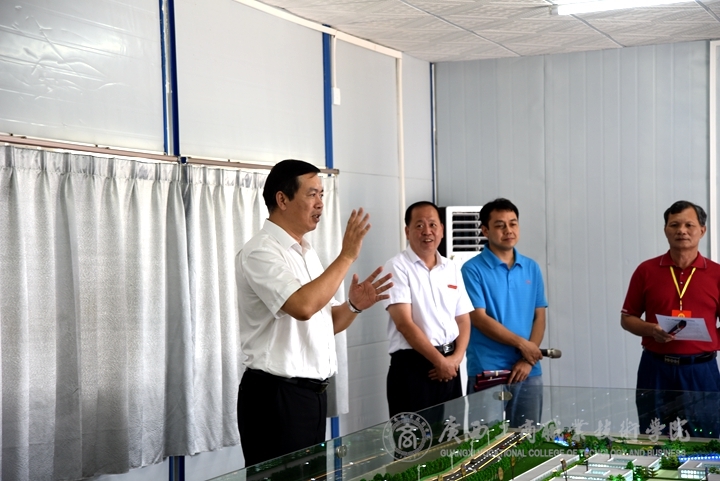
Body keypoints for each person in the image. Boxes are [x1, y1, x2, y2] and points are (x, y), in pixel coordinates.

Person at [235, 159, 393, 466]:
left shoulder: (306, 253)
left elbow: (325, 323)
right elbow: (303, 307)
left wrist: (353, 306)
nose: (320, 203)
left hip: (311, 397)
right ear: (282, 199)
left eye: (322, 194)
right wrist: (347, 255)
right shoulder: (261, 251)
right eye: (311, 194)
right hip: (275, 397)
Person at [621, 200, 720, 437]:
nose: (681, 231)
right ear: (666, 230)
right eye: (674, 225)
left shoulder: (717, 274)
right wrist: (650, 329)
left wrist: (710, 338)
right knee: (654, 437)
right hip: (655, 368)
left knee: (705, 439)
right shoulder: (646, 270)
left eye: (689, 225)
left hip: (700, 370)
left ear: (702, 230)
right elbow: (627, 318)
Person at [461, 198, 547, 427]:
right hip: (488, 370)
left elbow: (539, 316)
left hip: (528, 370)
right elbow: (479, 319)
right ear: (485, 231)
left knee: (528, 439)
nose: (508, 230)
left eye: (513, 223)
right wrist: (523, 345)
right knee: (487, 440)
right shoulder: (471, 269)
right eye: (500, 225)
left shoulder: (531, 267)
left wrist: (527, 359)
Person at [382, 201, 472, 418]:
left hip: (451, 365)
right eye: (419, 225)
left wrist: (455, 359)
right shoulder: (397, 266)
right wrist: (440, 361)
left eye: (432, 224)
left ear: (442, 229)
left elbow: (463, 319)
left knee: (451, 435)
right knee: (415, 437)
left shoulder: (451, 267)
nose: (427, 231)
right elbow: (404, 324)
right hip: (413, 366)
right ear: (407, 231)